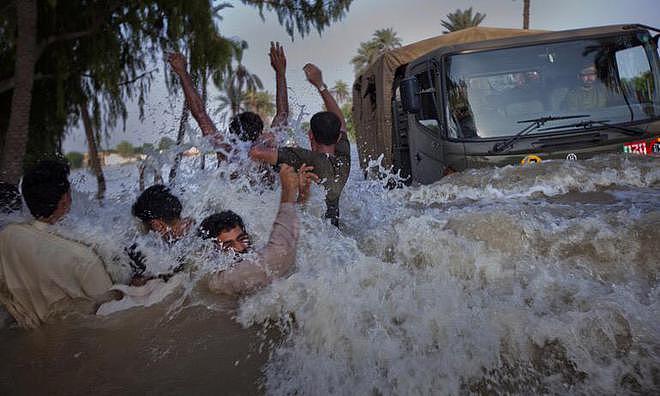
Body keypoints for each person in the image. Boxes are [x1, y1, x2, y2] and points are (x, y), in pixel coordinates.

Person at [0, 160, 118, 328]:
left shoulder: (7, 237)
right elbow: (117, 316)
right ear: (65, 200)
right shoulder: (84, 259)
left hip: (34, 341)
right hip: (71, 344)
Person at [250, 61, 351, 226]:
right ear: (338, 138)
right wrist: (321, 86)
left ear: (310, 135)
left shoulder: (306, 158)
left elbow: (256, 152)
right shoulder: (343, 160)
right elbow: (342, 123)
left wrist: (267, 139)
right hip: (333, 238)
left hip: (306, 235)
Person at [168, 42, 289, 155]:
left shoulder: (226, 151)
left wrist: (182, 73)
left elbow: (200, 114)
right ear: (260, 133)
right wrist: (280, 73)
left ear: (232, 134)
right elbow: (282, 114)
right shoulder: (267, 149)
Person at [202, 164, 306, 295]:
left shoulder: (253, 255)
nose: (240, 248)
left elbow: (297, 232)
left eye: (242, 239)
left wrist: (302, 194)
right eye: (229, 245)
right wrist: (287, 193)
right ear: (214, 250)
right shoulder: (224, 279)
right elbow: (281, 252)